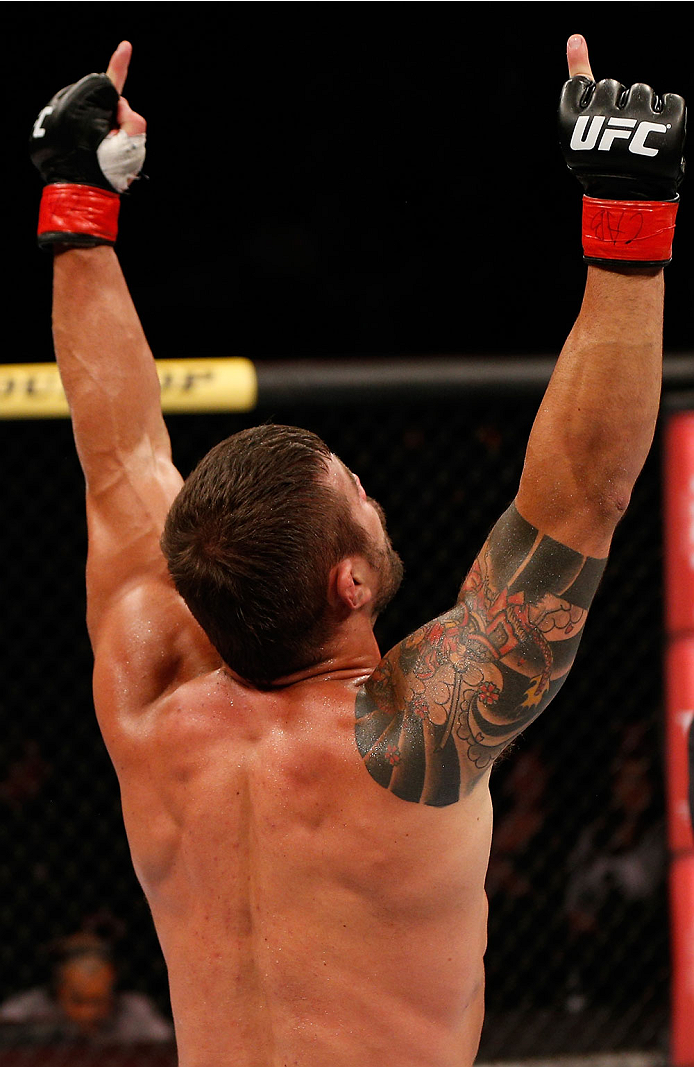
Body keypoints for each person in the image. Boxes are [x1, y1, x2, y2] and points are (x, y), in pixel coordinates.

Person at [28, 34, 685, 1067]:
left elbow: (115, 449)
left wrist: (77, 201)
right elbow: (583, 496)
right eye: (357, 493)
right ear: (349, 581)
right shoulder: (416, 735)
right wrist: (629, 221)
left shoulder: (148, 694)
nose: (372, 490)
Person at [0, 933, 173, 1045]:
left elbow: (167, 1047)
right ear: (59, 990)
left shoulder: (134, 1010)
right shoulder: (26, 1011)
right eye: (79, 1001)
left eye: (99, 1001)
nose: (90, 1013)